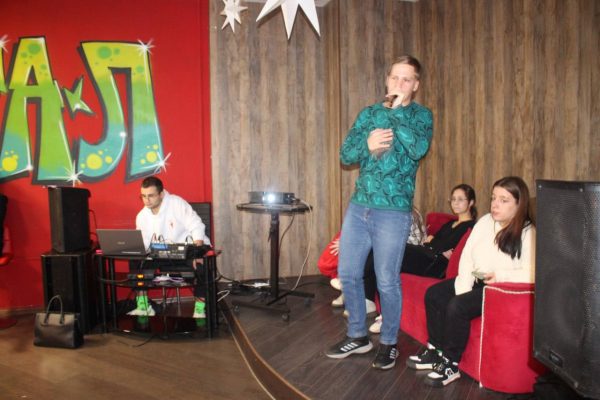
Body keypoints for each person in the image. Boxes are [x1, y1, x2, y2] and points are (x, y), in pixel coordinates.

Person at [326, 55, 433, 370]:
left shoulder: (421, 116)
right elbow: (346, 154)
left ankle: (388, 343)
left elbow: (418, 149)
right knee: (348, 273)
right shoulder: (369, 113)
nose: (399, 83)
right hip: (360, 206)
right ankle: (357, 335)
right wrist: (367, 145)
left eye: (406, 79)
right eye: (395, 77)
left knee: (387, 280)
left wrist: (396, 113)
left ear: (415, 85)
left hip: (393, 212)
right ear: (387, 79)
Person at [406, 176, 535, 387]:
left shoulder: (528, 233)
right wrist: (463, 286)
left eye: (503, 200)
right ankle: (435, 350)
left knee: (458, 306)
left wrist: (501, 275)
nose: (495, 204)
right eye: (493, 198)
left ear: (519, 204)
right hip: (474, 279)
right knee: (434, 295)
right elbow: (466, 256)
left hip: (498, 289)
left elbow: (533, 273)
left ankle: (451, 364)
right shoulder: (485, 221)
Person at [369, 184, 476, 334]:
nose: (455, 203)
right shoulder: (449, 224)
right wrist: (435, 243)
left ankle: (384, 315)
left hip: (435, 265)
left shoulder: (471, 226)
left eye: (460, 199)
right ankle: (382, 312)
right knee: (383, 256)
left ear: (471, 202)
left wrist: (434, 242)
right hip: (426, 254)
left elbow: (439, 244)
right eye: (453, 199)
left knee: (389, 251)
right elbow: (431, 242)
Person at [127, 176, 211, 319]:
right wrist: (137, 252)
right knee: (136, 262)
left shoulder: (176, 203)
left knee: (202, 265)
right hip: (160, 252)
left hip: (187, 249)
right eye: (143, 196)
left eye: (151, 196)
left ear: (161, 194)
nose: (147, 200)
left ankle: (199, 309)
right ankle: (143, 307)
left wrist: (198, 252)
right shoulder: (142, 216)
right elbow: (145, 244)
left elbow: (196, 225)